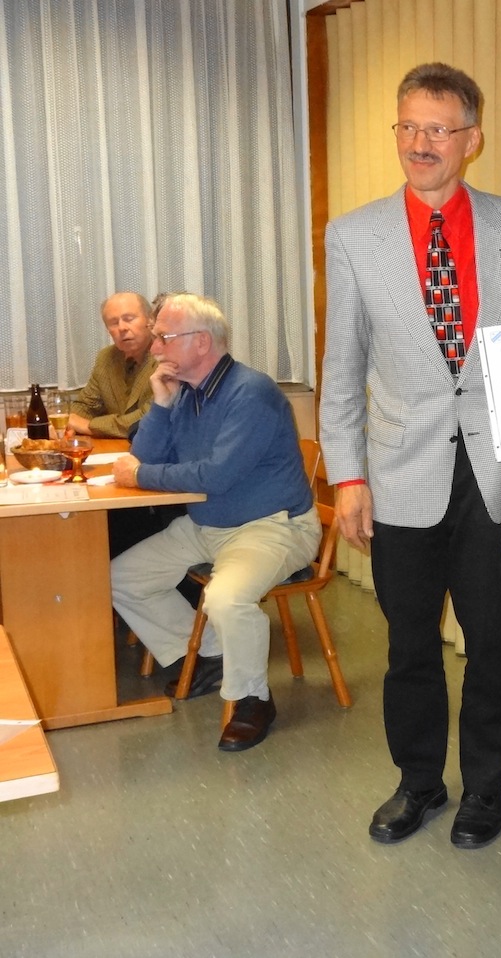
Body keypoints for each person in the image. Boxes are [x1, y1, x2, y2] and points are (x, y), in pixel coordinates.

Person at [320, 62, 501, 848]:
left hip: (494, 474)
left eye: (438, 130)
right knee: (408, 644)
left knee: (490, 643)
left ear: (470, 140)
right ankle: (418, 782)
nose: (420, 144)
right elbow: (341, 367)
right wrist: (347, 476)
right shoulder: (353, 236)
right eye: (408, 127)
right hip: (397, 472)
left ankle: (485, 787)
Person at [110, 293, 320, 752]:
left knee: (225, 599)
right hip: (210, 525)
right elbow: (144, 456)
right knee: (120, 578)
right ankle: (212, 655)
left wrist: (141, 475)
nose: (155, 347)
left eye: (164, 337)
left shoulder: (251, 393)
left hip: (272, 526)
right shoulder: (185, 392)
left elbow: (216, 475)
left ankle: (253, 699)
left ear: (201, 342)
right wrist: (161, 403)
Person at [70, 291, 156, 438]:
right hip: (117, 447)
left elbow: (150, 417)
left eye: (129, 319)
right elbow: (85, 405)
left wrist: (88, 426)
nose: (122, 328)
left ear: (150, 320)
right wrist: (69, 424)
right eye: (114, 323)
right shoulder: (106, 358)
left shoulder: (167, 356)